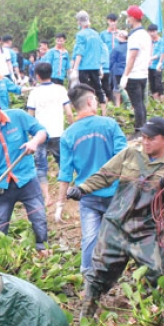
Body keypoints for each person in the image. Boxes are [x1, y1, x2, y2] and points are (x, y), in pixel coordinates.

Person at [66, 117, 164, 323]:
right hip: (115, 226)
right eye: (144, 137)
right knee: (98, 275)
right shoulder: (130, 155)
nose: (146, 141)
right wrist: (83, 189)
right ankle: (86, 318)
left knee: (156, 275)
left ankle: (152, 319)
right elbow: (105, 175)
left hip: (146, 231)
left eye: (151, 138)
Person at [58, 83, 128, 278]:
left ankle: (89, 277)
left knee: (90, 237)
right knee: (116, 234)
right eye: (95, 99)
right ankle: (116, 273)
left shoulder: (68, 135)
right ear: (90, 101)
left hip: (86, 195)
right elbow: (123, 156)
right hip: (113, 193)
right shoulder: (109, 125)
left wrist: (60, 202)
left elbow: (65, 172)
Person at [0, 102, 49, 251]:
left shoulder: (17, 116)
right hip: (2, 186)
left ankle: (42, 249)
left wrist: (34, 142)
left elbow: (41, 132)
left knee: (38, 217)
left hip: (26, 179)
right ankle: (0, 256)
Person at [26, 62, 74, 208]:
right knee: (63, 164)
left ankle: (46, 197)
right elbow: (69, 112)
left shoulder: (34, 93)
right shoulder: (60, 90)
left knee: (41, 167)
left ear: (37, 76)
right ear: (51, 73)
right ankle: (66, 193)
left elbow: (30, 116)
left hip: (41, 134)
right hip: (58, 133)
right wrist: (71, 128)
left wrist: (31, 136)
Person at [70, 11, 108, 114]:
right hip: (95, 66)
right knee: (98, 89)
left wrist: (75, 69)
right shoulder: (96, 34)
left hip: (84, 67)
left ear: (79, 22)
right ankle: (104, 113)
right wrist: (100, 65)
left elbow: (79, 53)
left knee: (85, 90)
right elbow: (101, 50)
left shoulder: (80, 35)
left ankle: (87, 112)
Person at [121, 5, 152, 130]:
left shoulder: (135, 36)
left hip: (134, 74)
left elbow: (132, 57)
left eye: (128, 17)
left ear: (132, 18)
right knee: (141, 102)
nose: (127, 20)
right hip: (143, 73)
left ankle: (139, 128)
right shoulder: (145, 35)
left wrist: (125, 75)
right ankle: (143, 127)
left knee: (137, 103)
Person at [108, 30, 129, 107]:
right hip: (129, 71)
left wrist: (109, 70)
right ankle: (128, 105)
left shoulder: (117, 49)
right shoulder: (131, 47)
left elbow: (111, 60)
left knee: (117, 89)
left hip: (118, 71)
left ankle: (117, 105)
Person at [147, 24, 164, 101]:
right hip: (149, 66)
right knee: (152, 85)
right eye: (150, 32)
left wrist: (151, 58)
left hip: (157, 66)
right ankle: (156, 102)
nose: (152, 33)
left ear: (157, 31)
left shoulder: (161, 41)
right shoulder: (148, 41)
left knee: (158, 85)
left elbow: (161, 53)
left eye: (153, 31)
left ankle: (162, 101)